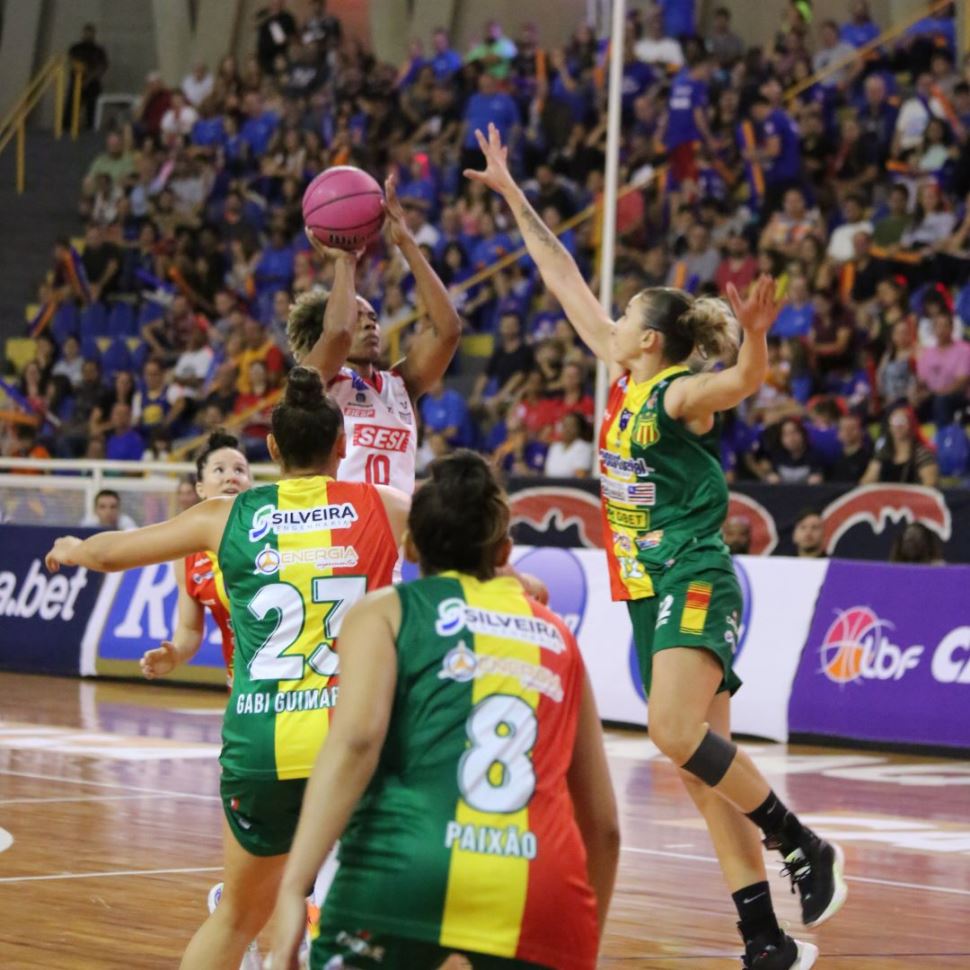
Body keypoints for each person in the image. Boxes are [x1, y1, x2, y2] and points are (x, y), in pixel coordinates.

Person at [465, 123, 846, 970]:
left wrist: (756, 340)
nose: (615, 317)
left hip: (694, 570)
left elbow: (744, 383)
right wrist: (511, 192)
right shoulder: (620, 367)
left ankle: (802, 843)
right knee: (702, 771)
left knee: (673, 731)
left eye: (629, 313)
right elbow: (560, 269)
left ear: (651, 341)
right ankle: (764, 939)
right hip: (644, 584)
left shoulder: (675, 395)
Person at [45, 367, 411, 970]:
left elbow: (112, 553)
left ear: (269, 450)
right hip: (350, 746)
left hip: (260, 746)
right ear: (343, 445)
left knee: (237, 917)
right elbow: (460, 550)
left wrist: (72, 550)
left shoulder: (225, 517)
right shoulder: (383, 506)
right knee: (367, 920)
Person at [270, 451, 619, 970]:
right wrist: (577, 935)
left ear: (410, 546)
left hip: (403, 868)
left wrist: (295, 886)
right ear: (504, 549)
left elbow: (356, 742)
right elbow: (604, 828)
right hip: (539, 886)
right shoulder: (558, 635)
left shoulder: (384, 611)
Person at [288, 173, 461, 492]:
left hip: (394, 536)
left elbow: (448, 330)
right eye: (360, 317)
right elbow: (338, 333)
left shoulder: (400, 386)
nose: (370, 323)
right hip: (340, 534)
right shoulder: (314, 383)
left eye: (373, 317)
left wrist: (406, 242)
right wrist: (346, 261)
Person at [139, 432, 252, 687]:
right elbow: (190, 630)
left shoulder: (276, 532)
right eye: (219, 470)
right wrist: (176, 653)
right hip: (242, 686)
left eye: (240, 470)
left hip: (298, 682)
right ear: (200, 488)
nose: (231, 476)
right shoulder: (188, 556)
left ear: (250, 484)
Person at [68, 23, 108, 129]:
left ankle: (91, 127)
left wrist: (89, 79)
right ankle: (68, 126)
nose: (88, 35)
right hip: (77, 81)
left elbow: (102, 66)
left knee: (92, 107)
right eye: (86, 33)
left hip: (93, 82)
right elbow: (72, 62)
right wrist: (81, 77)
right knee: (72, 106)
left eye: (90, 33)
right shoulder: (76, 48)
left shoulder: (98, 50)